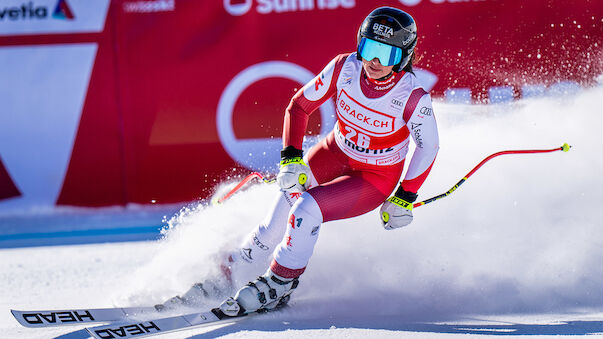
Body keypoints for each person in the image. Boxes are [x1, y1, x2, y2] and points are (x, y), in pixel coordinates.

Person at [160, 6, 440, 315]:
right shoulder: (343, 68)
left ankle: (280, 284)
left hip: (374, 177)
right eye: (369, 48)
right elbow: (299, 106)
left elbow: (428, 146)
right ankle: (233, 274)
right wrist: (291, 159)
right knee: (275, 218)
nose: (373, 62)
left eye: (385, 55)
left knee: (307, 208)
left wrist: (404, 196)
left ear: (402, 57)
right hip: (333, 153)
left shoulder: (413, 96)